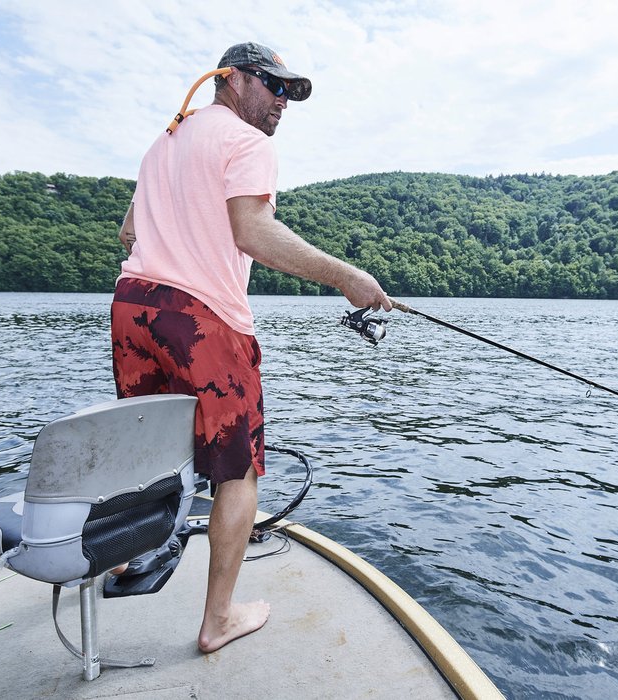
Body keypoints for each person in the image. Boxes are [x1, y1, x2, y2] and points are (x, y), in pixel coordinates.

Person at [111, 41, 391, 653]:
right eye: (273, 85)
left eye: (290, 92)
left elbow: (129, 230)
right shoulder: (248, 143)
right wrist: (347, 277)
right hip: (203, 319)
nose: (282, 102)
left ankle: (123, 562)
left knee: (141, 449)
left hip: (131, 306)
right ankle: (218, 621)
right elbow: (252, 231)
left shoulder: (164, 143)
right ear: (232, 80)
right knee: (237, 472)